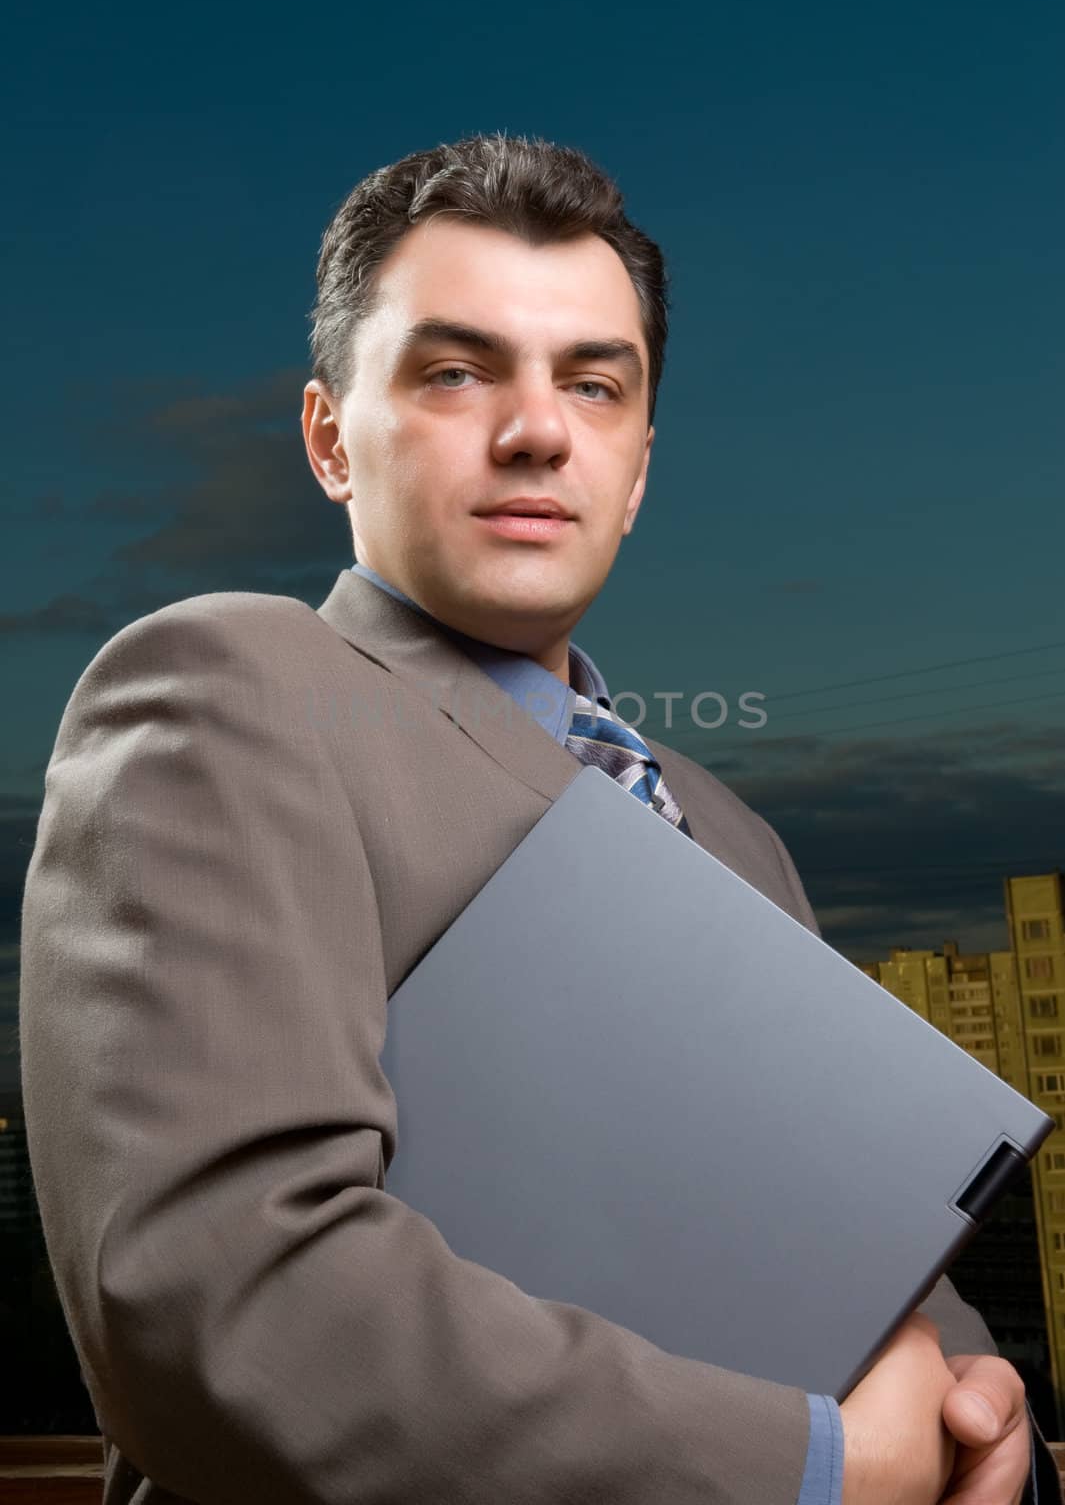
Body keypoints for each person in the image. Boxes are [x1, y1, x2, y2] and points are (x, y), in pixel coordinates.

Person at [19, 132, 1059, 1504]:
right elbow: (224, 1305)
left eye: (593, 382)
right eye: (455, 372)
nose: (537, 428)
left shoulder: (734, 834)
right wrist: (809, 1468)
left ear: (634, 472)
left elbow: (859, 1262)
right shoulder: (226, 686)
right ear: (331, 439)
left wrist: (981, 1407)